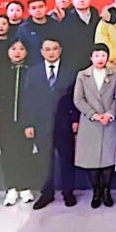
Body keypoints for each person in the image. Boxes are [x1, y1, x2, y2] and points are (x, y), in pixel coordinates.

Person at [22, 37, 81, 210]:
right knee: (44, 160)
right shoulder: (33, 72)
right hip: (41, 124)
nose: (51, 52)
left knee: (66, 159)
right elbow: (28, 100)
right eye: (47, 49)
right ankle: (47, 193)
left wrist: (75, 119)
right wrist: (29, 124)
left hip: (64, 123)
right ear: (42, 52)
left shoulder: (70, 71)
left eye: (54, 48)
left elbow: (75, 98)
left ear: (60, 50)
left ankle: (68, 192)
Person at [0, 38, 37, 206]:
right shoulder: (0, 72)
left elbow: (35, 100)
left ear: (27, 52)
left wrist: (31, 123)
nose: (17, 52)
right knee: (8, 155)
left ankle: (25, 187)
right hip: (5, 122)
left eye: (21, 49)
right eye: (14, 48)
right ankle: (11, 188)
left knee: (25, 154)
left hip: (25, 122)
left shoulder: (31, 72)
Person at [73, 43, 116, 209]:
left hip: (109, 121)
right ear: (91, 58)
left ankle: (107, 191)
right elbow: (78, 99)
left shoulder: (115, 74)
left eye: (103, 55)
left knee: (108, 158)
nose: (100, 59)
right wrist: (93, 114)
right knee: (91, 159)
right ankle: (96, 192)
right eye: (96, 55)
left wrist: (109, 113)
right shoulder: (82, 75)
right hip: (90, 122)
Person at [58, 0, 100, 72]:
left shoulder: (96, 15)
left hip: (95, 61)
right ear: (72, 1)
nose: (81, 0)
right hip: (75, 63)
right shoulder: (66, 20)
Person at [16, 0, 59, 64]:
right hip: (32, 65)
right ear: (29, 10)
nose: (37, 10)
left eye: (40, 7)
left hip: (54, 65)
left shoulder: (56, 25)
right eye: (34, 8)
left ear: (46, 7)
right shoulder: (24, 28)